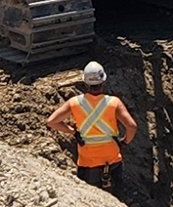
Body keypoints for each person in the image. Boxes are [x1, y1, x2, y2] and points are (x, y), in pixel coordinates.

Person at [49, 60, 137, 194]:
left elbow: (52, 121)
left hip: (87, 164)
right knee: (116, 202)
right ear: (103, 82)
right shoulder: (114, 103)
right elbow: (131, 126)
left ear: (85, 83)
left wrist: (73, 132)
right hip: (113, 161)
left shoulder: (74, 103)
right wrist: (124, 142)